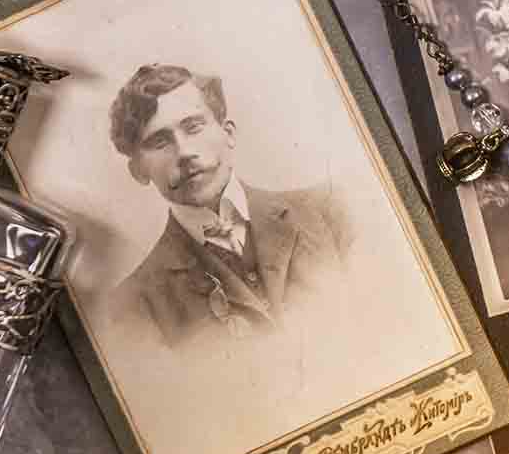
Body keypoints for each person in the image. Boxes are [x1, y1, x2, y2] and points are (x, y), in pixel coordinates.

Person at [106, 63, 349, 346]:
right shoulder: (132, 308)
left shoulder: (330, 211)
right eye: (160, 142)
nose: (184, 152)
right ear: (138, 170)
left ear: (228, 133)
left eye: (193, 127)